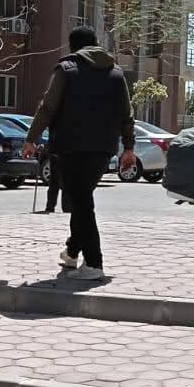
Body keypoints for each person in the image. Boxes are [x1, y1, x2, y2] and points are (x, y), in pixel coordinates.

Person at [23, 26, 138, 280]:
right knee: (81, 198)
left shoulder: (66, 69)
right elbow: (126, 115)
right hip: (104, 147)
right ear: (96, 44)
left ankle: (94, 263)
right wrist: (129, 148)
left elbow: (48, 107)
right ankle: (73, 251)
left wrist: (31, 139)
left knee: (82, 201)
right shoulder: (116, 74)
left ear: (73, 46)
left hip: (71, 146)